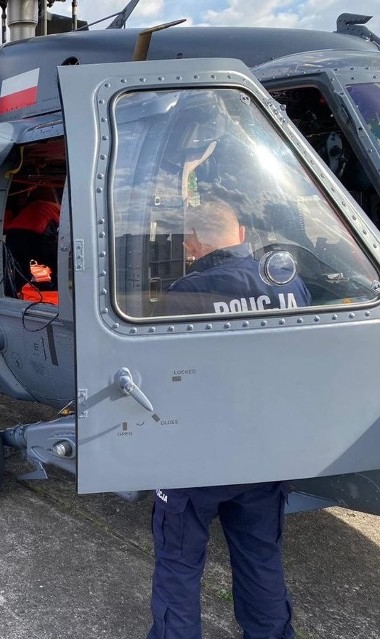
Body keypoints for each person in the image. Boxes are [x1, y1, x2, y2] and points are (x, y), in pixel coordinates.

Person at [148, 198, 308, 639]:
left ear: (194, 243)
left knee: (179, 565)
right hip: (266, 452)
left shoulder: (185, 294)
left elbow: (162, 377)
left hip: (197, 459)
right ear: (239, 235)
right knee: (261, 558)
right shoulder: (289, 284)